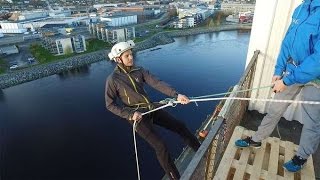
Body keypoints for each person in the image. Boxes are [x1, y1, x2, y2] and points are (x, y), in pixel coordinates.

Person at [235, 0, 320, 173]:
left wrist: (287, 81)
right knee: (275, 108)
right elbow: (288, 41)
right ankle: (257, 139)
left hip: (316, 77)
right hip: (293, 69)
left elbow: (318, 60)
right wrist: (279, 69)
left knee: (312, 120)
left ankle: (301, 156)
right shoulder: (301, 8)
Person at [105, 40, 200, 180]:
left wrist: (176, 95)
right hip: (138, 117)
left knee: (180, 126)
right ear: (118, 59)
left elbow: (156, 83)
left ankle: (200, 150)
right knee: (161, 146)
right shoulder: (113, 80)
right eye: (127, 56)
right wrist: (130, 114)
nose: (131, 57)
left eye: (131, 54)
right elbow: (110, 104)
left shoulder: (139, 71)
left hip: (151, 108)